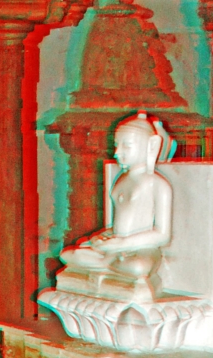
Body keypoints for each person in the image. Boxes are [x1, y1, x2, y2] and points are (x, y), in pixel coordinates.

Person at [60, 112, 173, 282]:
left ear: (151, 145)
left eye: (127, 145)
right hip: (116, 248)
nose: (117, 152)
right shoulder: (120, 180)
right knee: (68, 254)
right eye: (116, 145)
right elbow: (116, 225)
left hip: (141, 249)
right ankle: (107, 263)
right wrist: (101, 237)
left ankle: (104, 264)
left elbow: (162, 234)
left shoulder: (158, 184)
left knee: (138, 266)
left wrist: (123, 243)